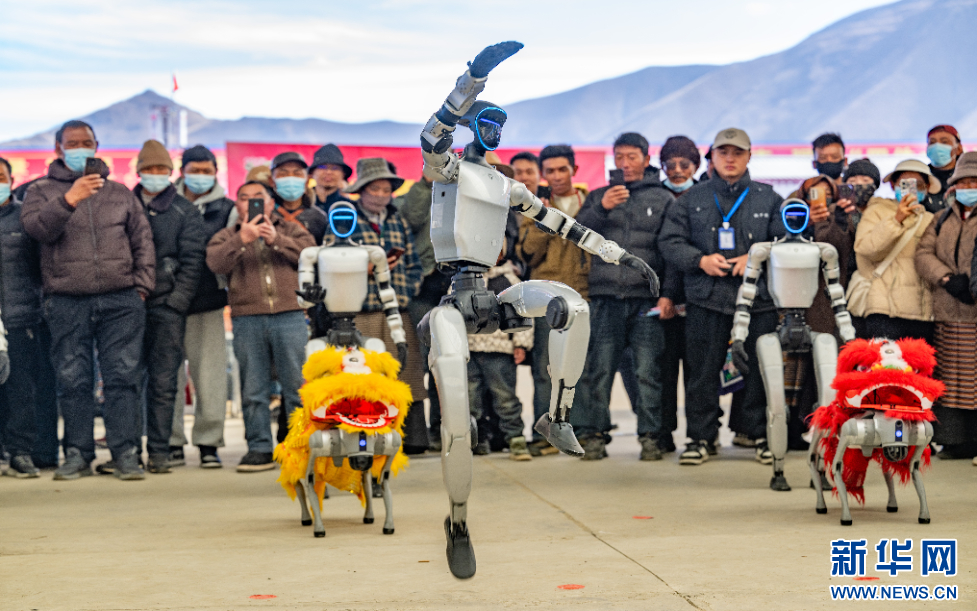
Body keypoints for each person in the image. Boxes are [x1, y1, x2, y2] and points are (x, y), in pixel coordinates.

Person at [21, 120, 156, 481]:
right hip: (67, 300)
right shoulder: (40, 191)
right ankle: (77, 454)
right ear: (58, 149)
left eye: (87, 142)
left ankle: (125, 453)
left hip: (121, 299)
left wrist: (141, 287)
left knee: (122, 378)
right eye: (73, 143)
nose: (81, 148)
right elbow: (36, 230)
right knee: (72, 379)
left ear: (96, 146)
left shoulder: (119, 193)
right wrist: (69, 200)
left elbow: (142, 241)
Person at [659, 127, 786, 466]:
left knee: (760, 370)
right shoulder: (692, 199)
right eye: (723, 152)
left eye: (737, 153)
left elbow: (785, 242)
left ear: (749, 156)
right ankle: (701, 438)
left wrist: (756, 256)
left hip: (757, 300)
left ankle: (760, 435)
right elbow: (670, 242)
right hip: (706, 299)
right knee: (702, 372)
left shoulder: (769, 198)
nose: (730, 159)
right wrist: (699, 260)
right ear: (712, 157)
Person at [573, 133, 675, 461]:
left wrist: (668, 295)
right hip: (605, 297)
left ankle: (651, 437)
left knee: (648, 372)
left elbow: (670, 252)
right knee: (599, 371)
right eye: (619, 157)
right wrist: (601, 208)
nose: (625, 164)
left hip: (647, 299)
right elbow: (577, 234)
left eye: (632, 157)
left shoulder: (664, 199)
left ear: (647, 159)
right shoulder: (599, 196)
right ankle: (594, 436)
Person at [206, 181, 316, 472]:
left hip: (290, 314)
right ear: (237, 205)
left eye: (258, 198)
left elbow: (310, 256)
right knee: (253, 388)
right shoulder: (227, 235)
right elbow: (215, 263)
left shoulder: (290, 229)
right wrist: (242, 240)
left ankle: (300, 445)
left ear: (270, 203)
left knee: (297, 386)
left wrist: (276, 240)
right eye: (244, 198)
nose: (251, 202)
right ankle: (259, 448)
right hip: (247, 317)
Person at [336, 158, 427, 451]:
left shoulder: (398, 220)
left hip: (397, 310)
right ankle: (367, 438)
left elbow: (414, 265)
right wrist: (362, 270)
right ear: (361, 190)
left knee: (407, 373)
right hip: (360, 312)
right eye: (374, 189)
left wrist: (407, 291)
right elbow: (331, 261)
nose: (381, 195)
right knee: (364, 377)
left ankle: (412, 440)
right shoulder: (345, 220)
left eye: (386, 190)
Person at [129, 140, 206, 474]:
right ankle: (128, 450)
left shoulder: (184, 210)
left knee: (163, 382)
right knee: (127, 381)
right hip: (128, 306)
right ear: (139, 171)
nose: (155, 174)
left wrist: (176, 303)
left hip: (166, 305)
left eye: (161, 168)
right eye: (149, 169)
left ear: (171, 172)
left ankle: (159, 451)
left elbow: (193, 261)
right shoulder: (125, 203)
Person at [516, 144, 590, 456]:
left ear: (574, 170)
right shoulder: (534, 208)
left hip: (584, 297)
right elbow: (527, 254)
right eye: (550, 171)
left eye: (562, 169)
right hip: (547, 301)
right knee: (546, 370)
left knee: (583, 369)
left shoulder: (591, 204)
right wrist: (546, 220)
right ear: (543, 174)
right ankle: (546, 436)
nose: (557, 176)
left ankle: (583, 431)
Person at [169, 144, 236, 468]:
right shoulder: (166, 204)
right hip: (167, 304)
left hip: (208, 303)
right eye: (194, 170)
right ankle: (171, 442)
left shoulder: (227, 209)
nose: (200, 176)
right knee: (168, 377)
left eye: (206, 170)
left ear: (215, 172)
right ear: (182, 171)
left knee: (210, 377)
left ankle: (209, 443)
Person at [914, 151, 977, 460]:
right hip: (946, 310)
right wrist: (947, 279)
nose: (967, 187)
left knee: (974, 381)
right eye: (962, 182)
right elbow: (923, 253)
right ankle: (953, 441)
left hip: (974, 310)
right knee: (950, 381)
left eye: (973, 182)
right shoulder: (941, 219)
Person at [853, 159, 937, 342]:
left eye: (918, 185)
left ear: (927, 188)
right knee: (885, 360)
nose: (911, 189)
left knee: (918, 361)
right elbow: (866, 248)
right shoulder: (876, 211)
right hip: (884, 309)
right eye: (904, 184)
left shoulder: (931, 219)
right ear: (893, 185)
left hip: (923, 312)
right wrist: (896, 220)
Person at [466, 258, 534, 460]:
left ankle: (516, 439)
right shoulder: (464, 280)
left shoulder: (510, 280)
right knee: (470, 400)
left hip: (500, 350)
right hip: (469, 350)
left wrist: (521, 344)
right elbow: (451, 311)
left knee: (505, 398)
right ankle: (476, 440)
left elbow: (524, 313)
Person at [0, 157, 40, 477]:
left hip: (19, 316)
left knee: (21, 388)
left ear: (12, 181)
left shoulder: (25, 217)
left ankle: (20, 452)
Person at [269, 152, 328, 244]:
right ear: (271, 181)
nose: (290, 178)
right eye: (283, 174)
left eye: (297, 173)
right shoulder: (266, 215)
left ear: (307, 181)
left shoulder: (319, 217)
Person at [926, 124, 964, 205]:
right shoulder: (922, 177)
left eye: (944, 142)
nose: (937, 146)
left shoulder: (968, 175)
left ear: (959, 148)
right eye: (932, 142)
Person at [310, 144, 353, 211]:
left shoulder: (350, 208)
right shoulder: (299, 204)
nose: (328, 172)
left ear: (343, 174)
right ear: (312, 173)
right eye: (322, 167)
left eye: (335, 168)